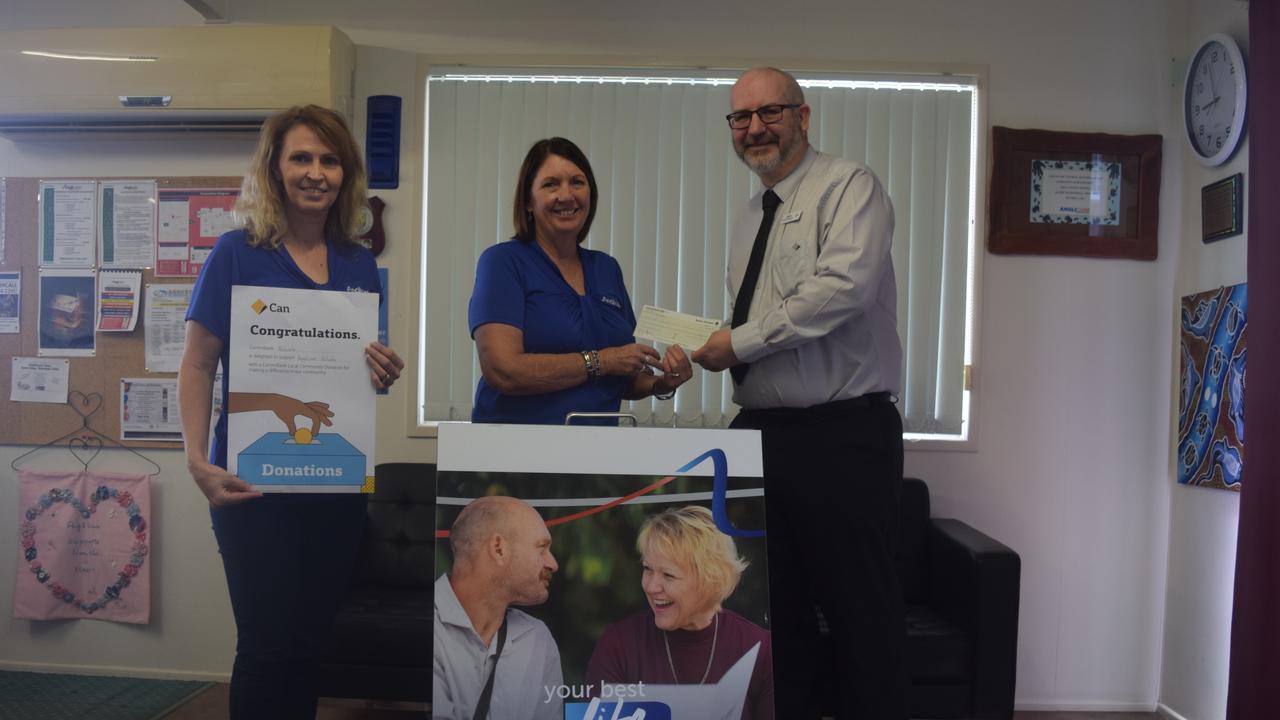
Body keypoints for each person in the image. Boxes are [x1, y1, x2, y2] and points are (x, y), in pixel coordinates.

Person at [691, 67, 907, 719]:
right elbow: (758, 313)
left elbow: (842, 288)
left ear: (803, 117)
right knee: (768, 611)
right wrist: (704, 346)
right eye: (740, 117)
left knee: (859, 612)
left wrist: (739, 343)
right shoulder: (749, 212)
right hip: (762, 434)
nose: (754, 127)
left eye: (770, 111)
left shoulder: (851, 187)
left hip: (843, 434)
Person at [177, 104, 405, 719]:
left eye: (329, 160)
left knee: (309, 647)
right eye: (300, 157)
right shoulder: (236, 253)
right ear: (275, 169)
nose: (316, 172)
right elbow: (198, 363)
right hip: (251, 485)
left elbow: (355, 376)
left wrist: (381, 370)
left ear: (346, 174)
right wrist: (197, 459)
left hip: (335, 486)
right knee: (267, 646)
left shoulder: (359, 263)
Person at [468, 137, 692, 425]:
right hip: (516, 452)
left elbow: (623, 375)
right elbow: (503, 371)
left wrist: (662, 384)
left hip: (596, 453)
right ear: (528, 202)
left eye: (577, 182)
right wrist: (602, 361)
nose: (567, 195)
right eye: (551, 184)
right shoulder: (503, 262)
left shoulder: (607, 268)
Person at [585, 506, 774, 720]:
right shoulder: (618, 644)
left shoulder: (761, 650)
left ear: (709, 579)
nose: (651, 586)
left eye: (668, 575)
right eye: (647, 569)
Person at [434, 495, 564, 720]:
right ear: (498, 548)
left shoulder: (538, 640)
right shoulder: (425, 628)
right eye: (541, 548)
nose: (553, 564)